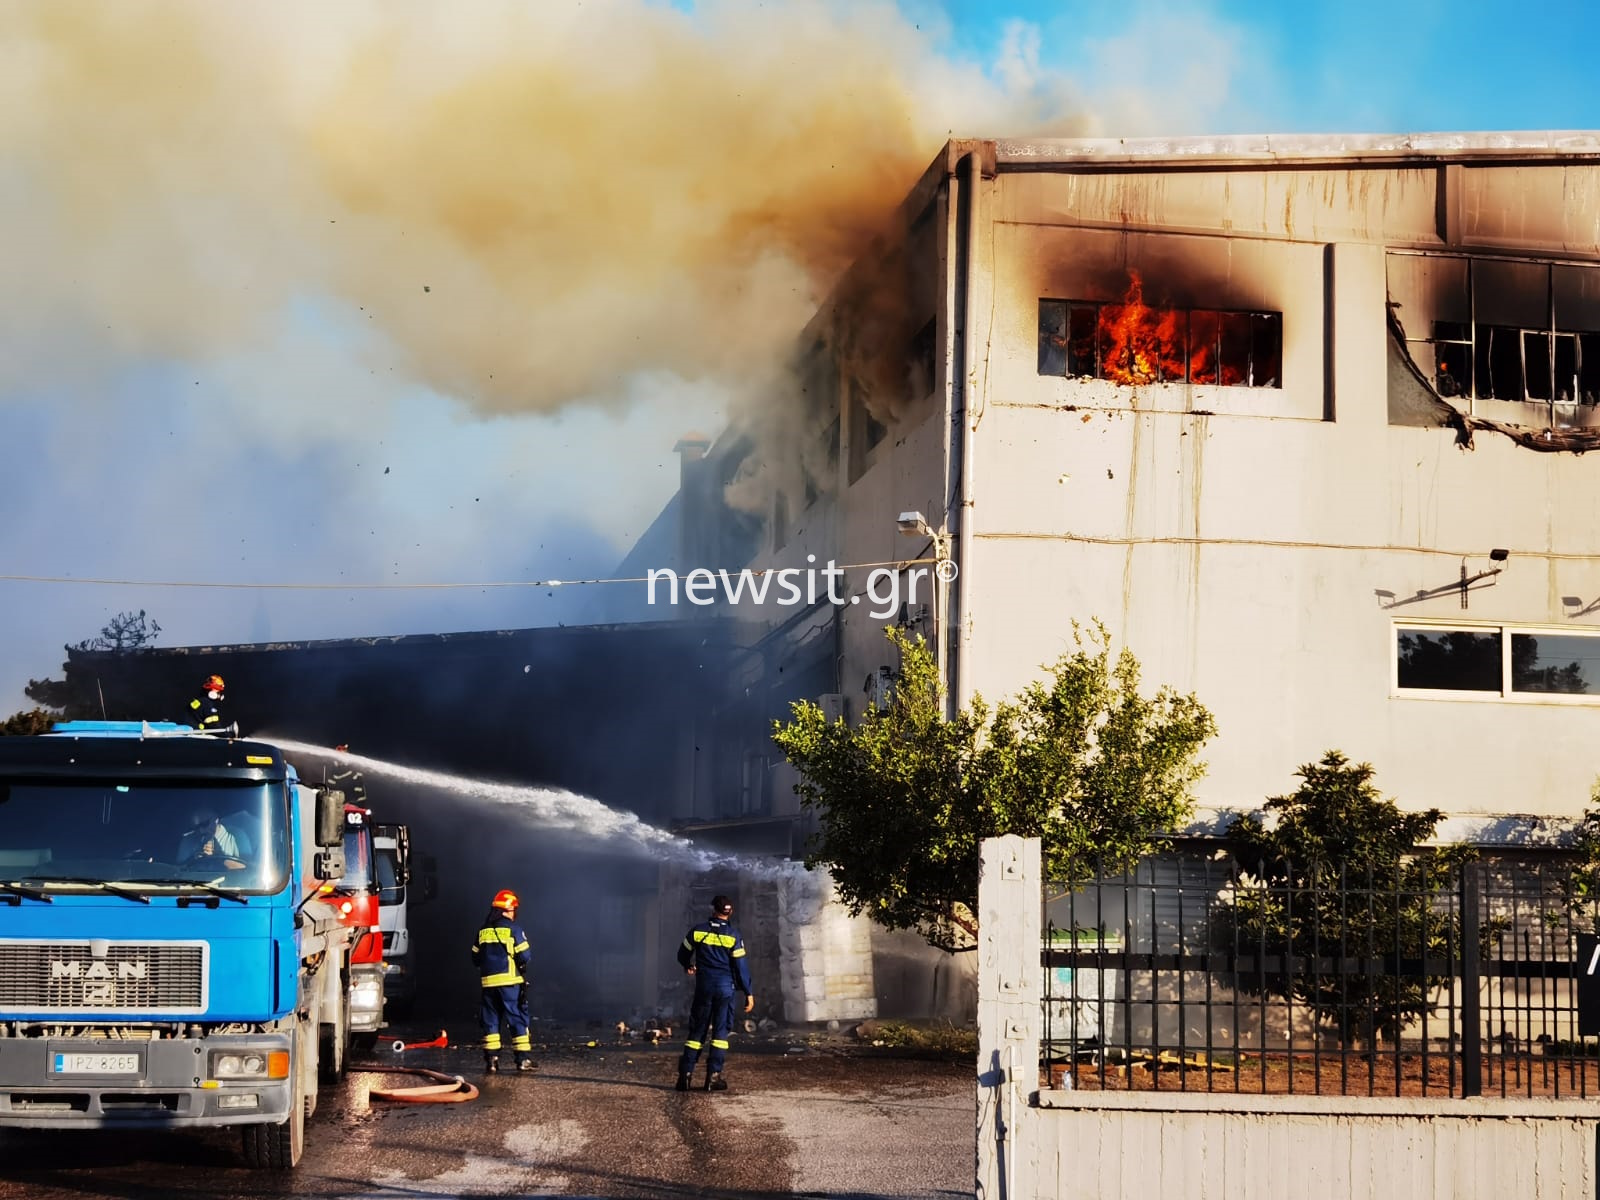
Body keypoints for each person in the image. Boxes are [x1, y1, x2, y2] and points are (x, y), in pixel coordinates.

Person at [675, 894, 754, 1093]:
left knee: (697, 1031)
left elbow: (682, 953)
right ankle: (713, 1078)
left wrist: (688, 965)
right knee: (720, 1033)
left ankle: (685, 1077)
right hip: (725, 989)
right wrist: (748, 992)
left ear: (713, 910)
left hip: (704, 987)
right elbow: (741, 967)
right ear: (730, 912)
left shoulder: (698, 931)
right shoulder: (734, 936)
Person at [471, 888, 535, 1074]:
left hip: (489, 985)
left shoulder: (482, 931)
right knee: (517, 1019)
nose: (514, 913)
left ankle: (491, 1061)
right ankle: (522, 1060)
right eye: (513, 909)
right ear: (507, 911)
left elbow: (475, 958)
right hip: (510, 984)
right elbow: (525, 955)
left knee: (490, 1022)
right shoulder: (513, 929)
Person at [178, 806, 244, 869]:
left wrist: (218, 857)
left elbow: (248, 871)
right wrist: (194, 858)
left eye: (204, 824)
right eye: (196, 827)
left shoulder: (237, 836)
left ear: (216, 819)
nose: (201, 830)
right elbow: (178, 871)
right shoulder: (187, 841)